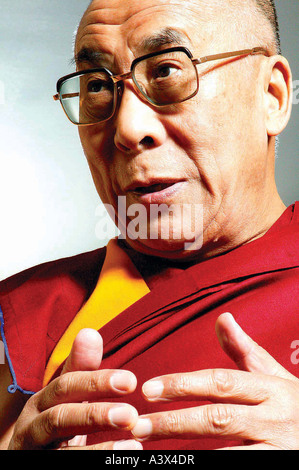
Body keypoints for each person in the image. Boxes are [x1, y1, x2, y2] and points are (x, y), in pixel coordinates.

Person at [0, 0, 298, 450]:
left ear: (271, 97)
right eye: (98, 85)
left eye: (166, 72)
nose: (127, 127)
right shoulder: (23, 314)